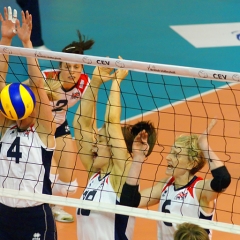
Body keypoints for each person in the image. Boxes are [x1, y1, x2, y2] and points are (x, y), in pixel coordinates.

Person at [73, 63, 157, 240]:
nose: (94, 144)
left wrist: (117, 81)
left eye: (101, 140)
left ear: (114, 148)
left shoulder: (122, 174)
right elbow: (81, 125)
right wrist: (94, 83)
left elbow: (111, 123)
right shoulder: (94, 174)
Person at [120, 119, 231, 240]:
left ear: (191, 164)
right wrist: (138, 158)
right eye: (170, 152)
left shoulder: (198, 189)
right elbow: (129, 202)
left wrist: (204, 145)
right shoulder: (165, 185)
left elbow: (223, 180)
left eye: (176, 155)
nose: (168, 157)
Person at [0, 6, 57, 239]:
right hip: (2, 212)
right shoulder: (5, 129)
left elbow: (39, 84)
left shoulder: (44, 132)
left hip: (34, 214)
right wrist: (5, 39)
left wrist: (27, 44)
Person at [42, 30, 95, 222]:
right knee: (44, 172)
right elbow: (23, 96)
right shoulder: (46, 78)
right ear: (60, 66)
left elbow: (90, 109)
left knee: (69, 183)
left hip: (59, 126)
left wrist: (93, 130)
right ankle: (40, 204)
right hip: (38, 128)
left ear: (81, 68)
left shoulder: (85, 83)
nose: (72, 71)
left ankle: (52, 204)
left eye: (76, 66)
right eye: (67, 66)